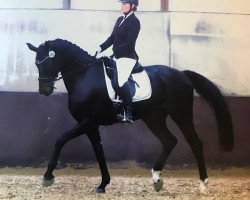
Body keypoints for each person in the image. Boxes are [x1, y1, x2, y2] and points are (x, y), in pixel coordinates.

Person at [96, 0, 140, 123]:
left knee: (120, 81)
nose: (122, 6)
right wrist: (99, 49)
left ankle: (128, 113)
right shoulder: (120, 20)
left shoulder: (135, 22)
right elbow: (111, 39)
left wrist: (112, 52)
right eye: (122, 3)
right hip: (117, 56)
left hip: (127, 57)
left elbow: (129, 43)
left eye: (125, 4)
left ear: (133, 6)